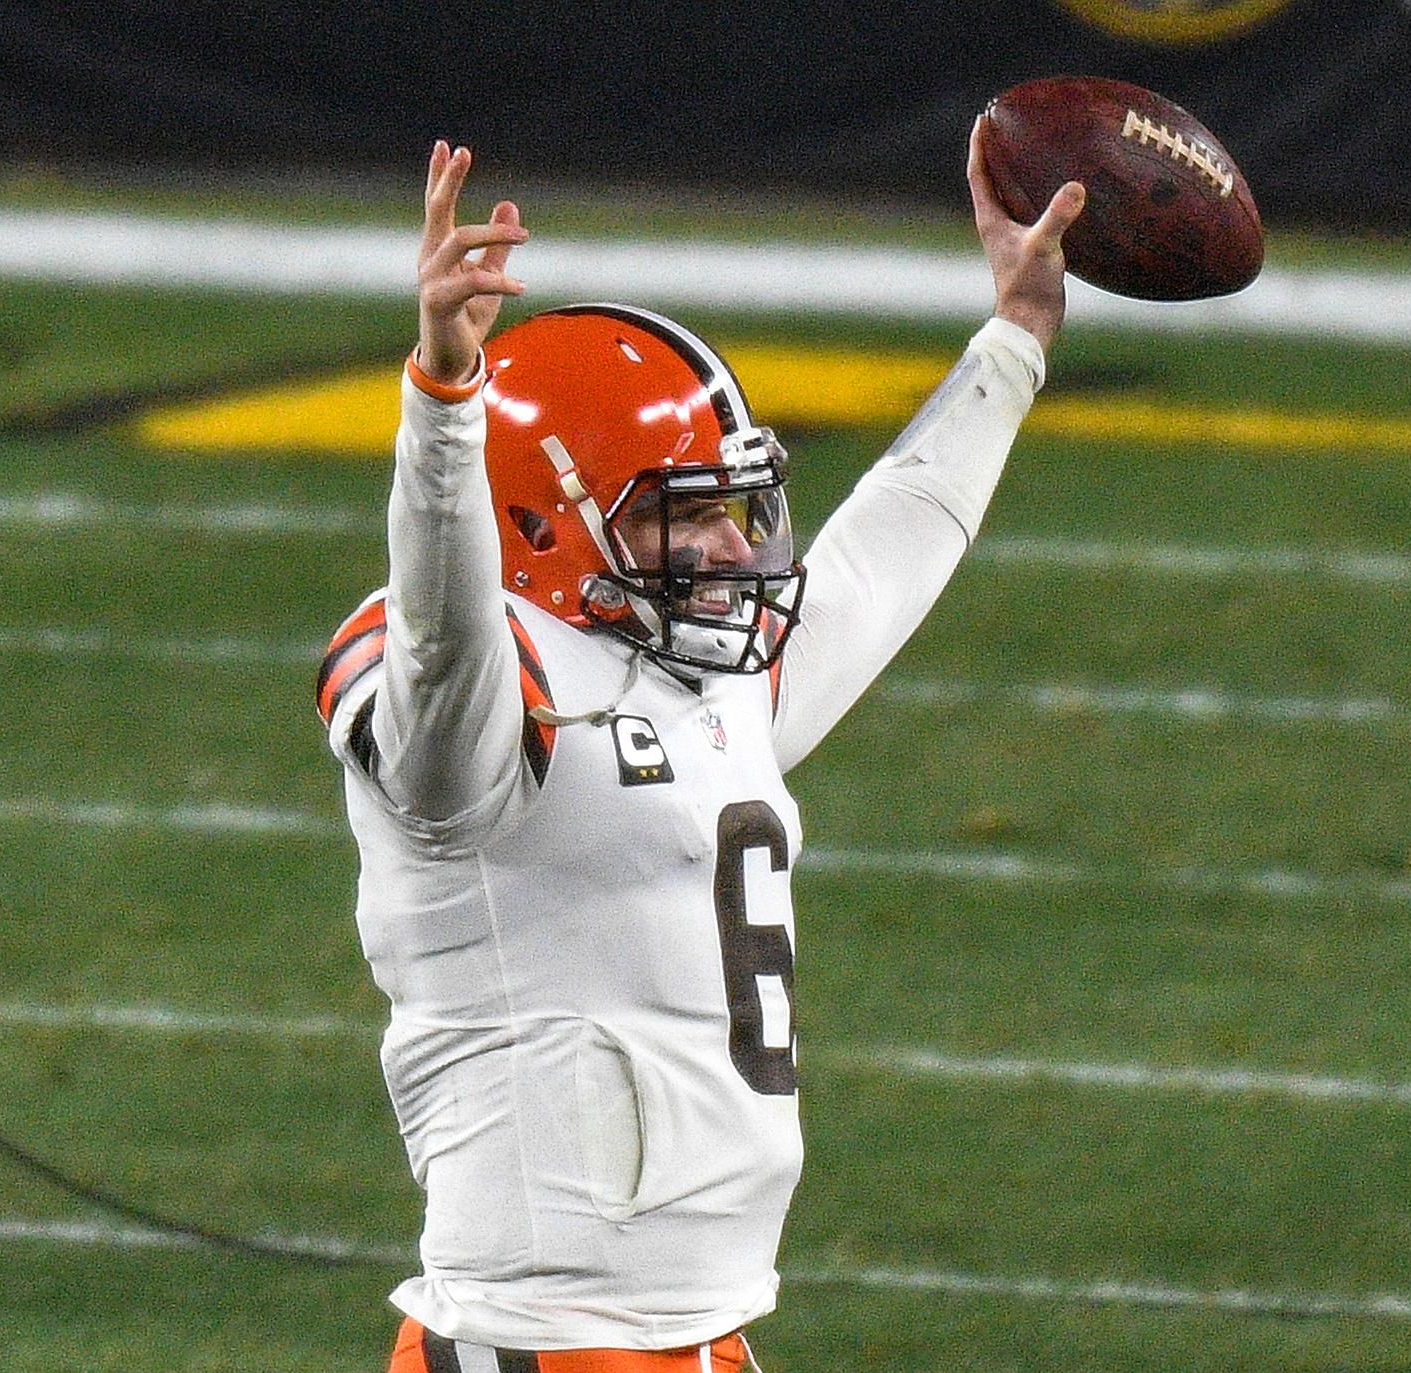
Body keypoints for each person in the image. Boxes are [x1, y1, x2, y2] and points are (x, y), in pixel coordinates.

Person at [318, 127, 1085, 1373]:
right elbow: (439, 638)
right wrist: (444, 410)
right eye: (683, 517)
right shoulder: (475, 699)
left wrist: (1013, 338)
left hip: (696, 1334)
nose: (733, 549)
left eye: (733, 510)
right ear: (544, 521)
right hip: (536, 1342)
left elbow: (887, 550)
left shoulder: (705, 680)